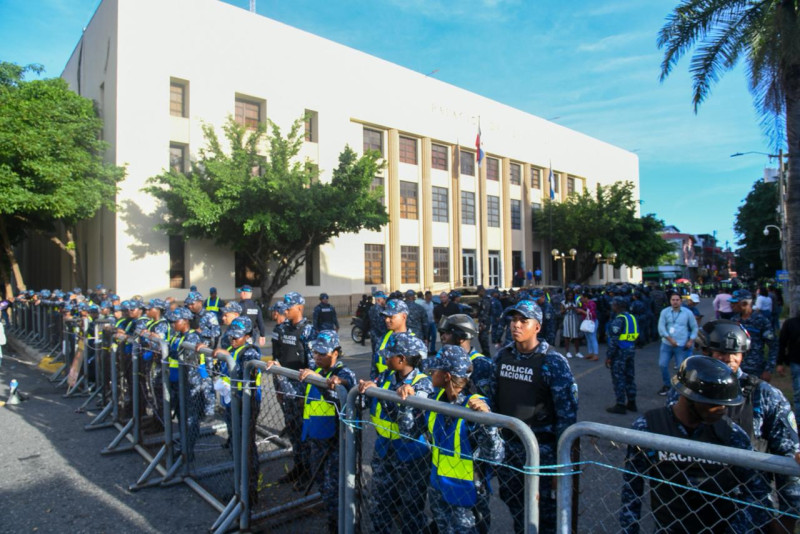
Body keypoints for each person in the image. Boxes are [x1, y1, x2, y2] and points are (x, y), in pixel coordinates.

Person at [620, 356, 772, 533]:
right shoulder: (648, 429)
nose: (723, 410)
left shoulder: (732, 436)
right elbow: (631, 491)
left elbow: (758, 492)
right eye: (714, 404)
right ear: (689, 397)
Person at [691, 320, 800, 532]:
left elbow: (788, 457)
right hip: (693, 508)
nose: (729, 360)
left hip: (748, 514)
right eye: (721, 352)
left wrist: (788, 517)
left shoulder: (765, 395)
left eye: (735, 353)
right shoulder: (688, 391)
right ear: (705, 351)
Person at [492, 299, 578, 534]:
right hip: (509, 450)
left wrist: (561, 467)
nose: (516, 325)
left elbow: (566, 418)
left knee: (546, 517)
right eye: (513, 320)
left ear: (537, 327)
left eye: (523, 320)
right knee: (517, 508)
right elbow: (491, 396)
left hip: (542, 453)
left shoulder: (553, 362)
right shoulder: (502, 357)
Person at [358, 332, 434, 534]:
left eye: (390, 355)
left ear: (402, 359)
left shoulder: (422, 383)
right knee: (380, 505)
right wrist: (365, 389)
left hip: (411, 456)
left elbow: (408, 428)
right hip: (384, 452)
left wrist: (387, 397)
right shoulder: (385, 376)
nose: (385, 358)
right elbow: (365, 402)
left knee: (411, 511)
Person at [282, 330, 355, 533]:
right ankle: (335, 522)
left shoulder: (343, 373)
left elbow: (344, 396)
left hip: (335, 442)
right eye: (315, 352)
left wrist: (324, 383)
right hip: (317, 439)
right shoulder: (317, 371)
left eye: (322, 353)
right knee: (323, 485)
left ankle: (342, 526)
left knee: (335, 490)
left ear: (336, 353)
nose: (317, 357)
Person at [426, 345, 504, 534]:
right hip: (440, 489)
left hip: (468, 497)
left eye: (435, 369)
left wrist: (488, 422)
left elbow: (495, 455)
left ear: (447, 376)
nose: (430, 372)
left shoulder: (474, 408)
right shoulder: (434, 399)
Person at [272, 291, 318, 486]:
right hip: (286, 388)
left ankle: (308, 472)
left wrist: (305, 395)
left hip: (301, 392)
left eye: (289, 307)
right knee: (292, 431)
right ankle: (298, 467)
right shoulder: (281, 329)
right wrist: (278, 388)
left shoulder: (309, 331)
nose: (285, 310)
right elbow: (278, 359)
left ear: (300, 307)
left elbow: (313, 367)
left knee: (305, 435)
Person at [438, 314, 495, 399]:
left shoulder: (483, 365)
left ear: (461, 338)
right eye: (442, 333)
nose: (442, 337)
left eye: (447, 333)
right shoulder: (444, 361)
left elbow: (487, 403)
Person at [656, 291, 698, 395]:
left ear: (681, 301)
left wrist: (691, 340)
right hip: (667, 344)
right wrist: (670, 339)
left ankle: (679, 387)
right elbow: (661, 327)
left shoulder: (687, 313)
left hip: (681, 345)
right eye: (673, 300)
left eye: (677, 300)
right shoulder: (665, 312)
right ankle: (667, 385)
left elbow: (694, 327)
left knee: (681, 367)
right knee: (662, 364)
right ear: (670, 301)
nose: (675, 302)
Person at [731, 289, 778, 382]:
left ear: (744, 304)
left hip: (755, 369)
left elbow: (774, 346)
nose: (732, 305)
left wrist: (768, 370)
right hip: (736, 368)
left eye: (735, 302)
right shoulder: (733, 320)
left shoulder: (761, 321)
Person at [606, 297, 639, 414]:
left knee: (619, 378)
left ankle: (620, 404)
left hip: (620, 351)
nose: (612, 306)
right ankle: (632, 402)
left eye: (614, 304)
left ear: (618, 306)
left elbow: (614, 341)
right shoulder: (632, 318)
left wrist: (609, 356)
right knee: (629, 376)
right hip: (630, 349)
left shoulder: (619, 320)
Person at [371, 298, 411, 380]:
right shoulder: (382, 340)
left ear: (404, 316)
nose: (386, 320)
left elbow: (420, 376)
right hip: (380, 391)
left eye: (391, 316)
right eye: (385, 316)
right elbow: (374, 370)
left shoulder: (414, 343)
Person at [778, 311, 800, 417]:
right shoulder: (791, 323)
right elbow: (782, 343)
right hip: (796, 362)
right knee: (798, 393)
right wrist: (779, 363)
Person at [577, 288, 599, 360]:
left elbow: (592, 314)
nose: (581, 299)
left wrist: (582, 311)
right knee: (588, 338)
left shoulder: (592, 303)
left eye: (582, 298)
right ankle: (590, 353)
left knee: (592, 338)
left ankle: (595, 354)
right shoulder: (584, 304)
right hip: (586, 321)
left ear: (586, 298)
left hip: (592, 321)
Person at [560, 288, 582, 358]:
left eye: (571, 295)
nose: (570, 297)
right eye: (569, 295)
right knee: (567, 336)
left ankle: (577, 352)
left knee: (576, 337)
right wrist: (567, 308)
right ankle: (567, 352)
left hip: (574, 319)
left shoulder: (576, 302)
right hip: (567, 319)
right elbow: (561, 312)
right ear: (566, 296)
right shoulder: (563, 302)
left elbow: (579, 311)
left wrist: (575, 309)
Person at [368, 291, 388, 355]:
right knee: (379, 355)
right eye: (384, 299)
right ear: (379, 300)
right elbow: (381, 325)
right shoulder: (380, 310)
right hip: (380, 336)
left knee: (374, 354)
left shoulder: (372, 308)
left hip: (374, 335)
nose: (385, 301)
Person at [475, 285, 493, 356]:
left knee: (483, 337)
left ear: (482, 291)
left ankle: (487, 353)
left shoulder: (486, 299)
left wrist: (483, 323)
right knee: (480, 337)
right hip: (482, 321)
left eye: (478, 292)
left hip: (485, 321)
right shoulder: (483, 299)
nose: (478, 294)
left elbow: (485, 312)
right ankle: (484, 351)